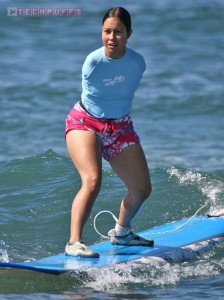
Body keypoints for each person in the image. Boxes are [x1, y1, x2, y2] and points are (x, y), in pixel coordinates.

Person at [64, 7, 154, 258]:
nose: (112, 37)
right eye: (107, 31)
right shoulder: (93, 62)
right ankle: (74, 242)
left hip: (120, 126)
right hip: (86, 122)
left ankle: (122, 233)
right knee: (92, 181)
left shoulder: (138, 62)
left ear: (129, 34)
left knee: (142, 188)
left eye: (118, 32)